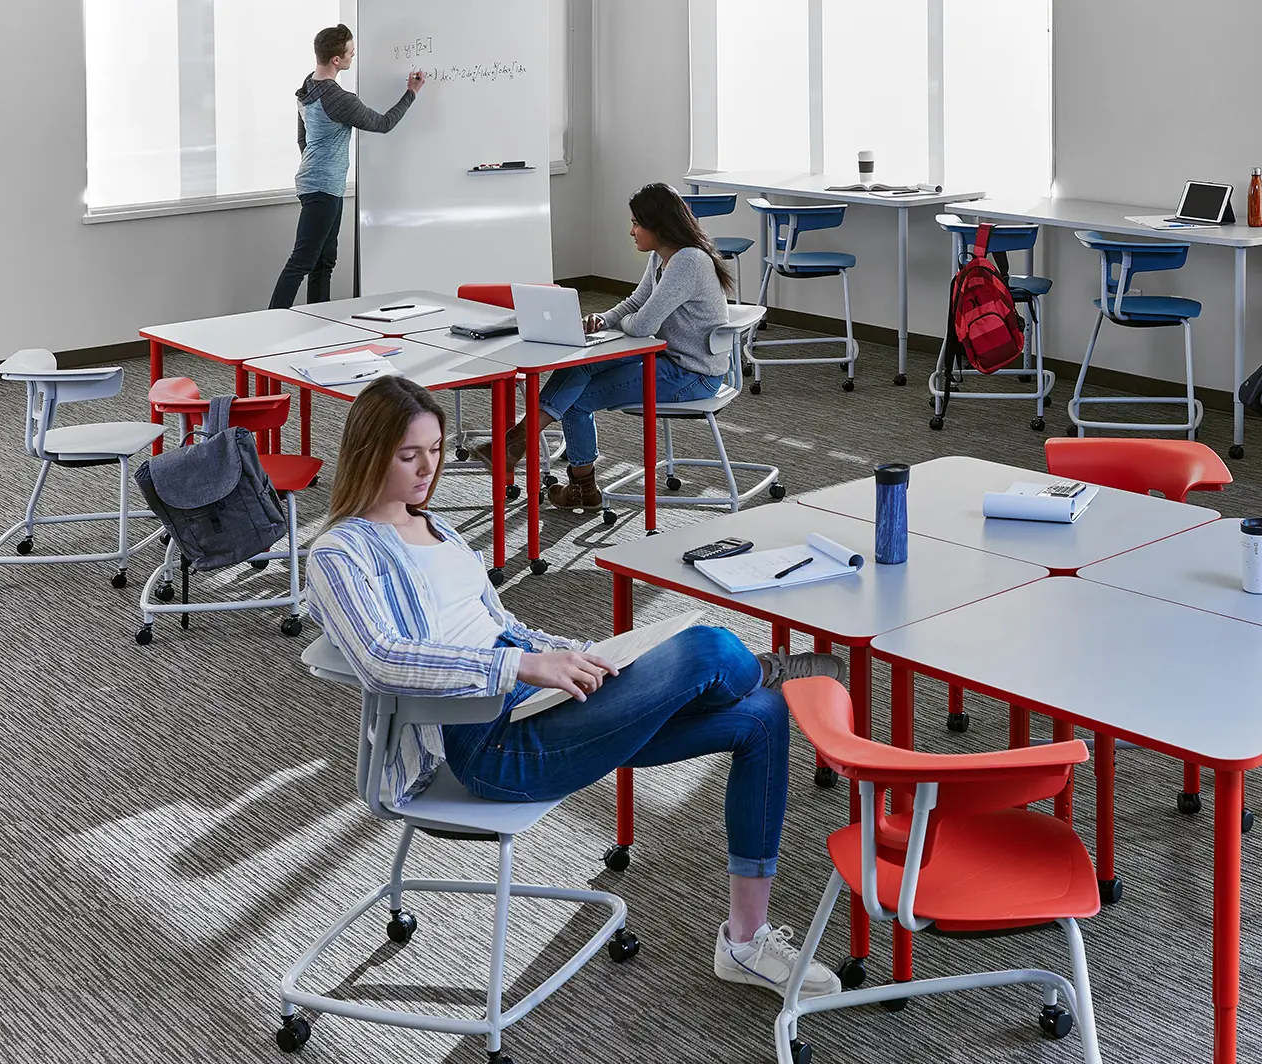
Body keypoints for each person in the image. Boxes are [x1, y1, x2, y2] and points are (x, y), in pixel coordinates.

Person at [306, 376, 843, 1000]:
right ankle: (761, 667)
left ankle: (745, 943)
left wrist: (568, 656)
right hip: (488, 744)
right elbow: (382, 660)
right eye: (408, 456)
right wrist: (521, 669)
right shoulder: (340, 553)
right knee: (712, 648)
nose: (429, 469)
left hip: (538, 705)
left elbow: (499, 626)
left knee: (762, 718)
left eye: (434, 449)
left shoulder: (440, 532)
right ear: (369, 454)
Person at [480, 183, 734, 510]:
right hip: (665, 359)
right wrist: (604, 319)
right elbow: (637, 303)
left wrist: (627, 323)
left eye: (637, 224)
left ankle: (570, 481)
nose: (631, 231)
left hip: (692, 374)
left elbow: (643, 325)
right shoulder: (663, 257)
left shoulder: (688, 262)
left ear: (659, 226)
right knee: (579, 365)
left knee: (575, 400)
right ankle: (518, 447)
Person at [268, 25, 424, 309]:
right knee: (302, 261)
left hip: (318, 181)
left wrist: (318, 164)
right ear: (336, 60)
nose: (354, 55)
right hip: (323, 186)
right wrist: (411, 93)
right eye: (351, 52)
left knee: (324, 260)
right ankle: (271, 321)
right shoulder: (339, 99)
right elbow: (383, 124)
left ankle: (318, 319)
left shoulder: (306, 87)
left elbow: (302, 138)